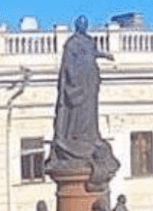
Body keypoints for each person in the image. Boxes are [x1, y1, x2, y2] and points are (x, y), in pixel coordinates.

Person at [47, 15, 119, 185]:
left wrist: (104, 55)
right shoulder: (72, 43)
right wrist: (74, 80)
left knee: (89, 114)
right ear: (77, 26)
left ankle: (88, 136)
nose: (83, 27)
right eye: (81, 24)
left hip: (89, 84)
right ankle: (74, 136)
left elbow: (93, 53)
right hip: (78, 85)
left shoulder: (88, 41)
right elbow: (68, 65)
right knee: (76, 114)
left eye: (85, 24)